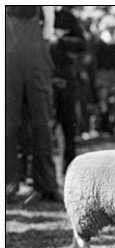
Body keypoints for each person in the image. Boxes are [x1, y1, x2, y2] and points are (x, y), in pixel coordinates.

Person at [5, 6, 63, 204]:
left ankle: (46, 185)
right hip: (8, 56)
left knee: (42, 124)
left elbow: (48, 28)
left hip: (36, 58)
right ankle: (8, 185)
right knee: (7, 125)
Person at [50, 6, 86, 175]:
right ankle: (40, 172)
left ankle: (69, 167)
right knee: (44, 126)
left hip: (66, 75)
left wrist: (60, 40)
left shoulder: (67, 17)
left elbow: (81, 43)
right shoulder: (37, 13)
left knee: (68, 124)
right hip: (42, 74)